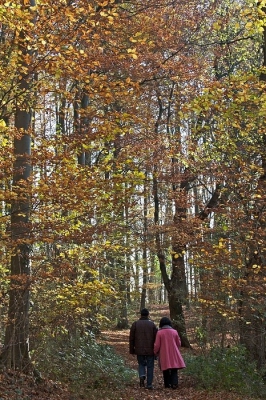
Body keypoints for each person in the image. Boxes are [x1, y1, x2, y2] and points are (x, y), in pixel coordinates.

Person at [154, 316, 186, 389]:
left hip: (164, 353)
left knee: (165, 369)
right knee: (174, 369)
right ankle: (174, 383)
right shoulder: (174, 331)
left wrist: (155, 352)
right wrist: (176, 348)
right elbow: (179, 343)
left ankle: (167, 384)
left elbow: (157, 345)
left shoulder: (159, 333)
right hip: (174, 352)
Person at [129, 308, 157, 389]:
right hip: (150, 350)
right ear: (148, 315)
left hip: (139, 349)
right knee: (150, 366)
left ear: (141, 314)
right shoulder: (152, 324)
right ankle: (149, 384)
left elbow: (131, 338)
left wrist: (132, 350)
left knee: (141, 364)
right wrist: (156, 350)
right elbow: (156, 338)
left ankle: (142, 376)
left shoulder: (135, 324)